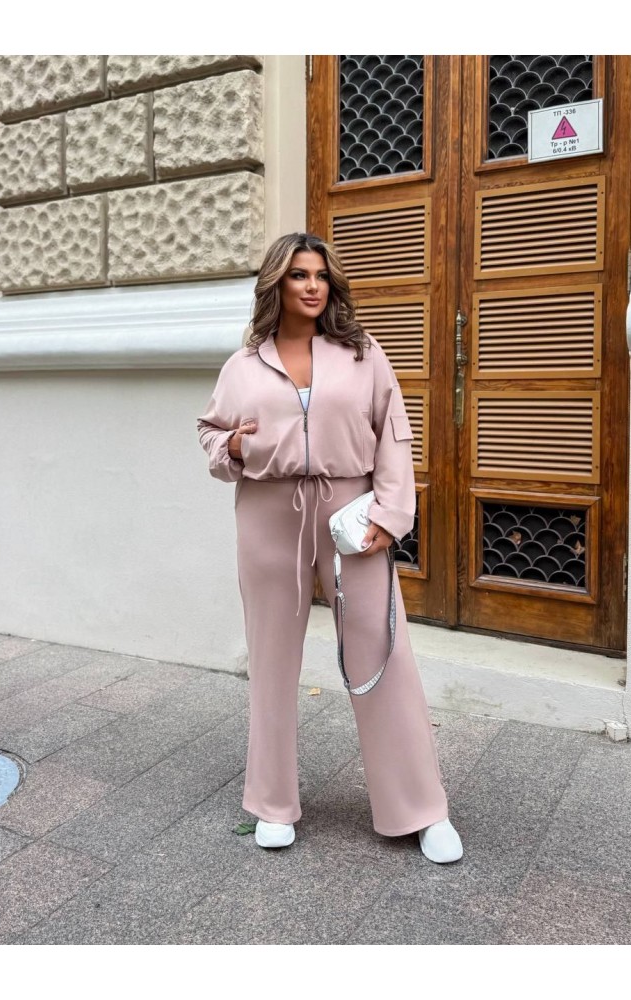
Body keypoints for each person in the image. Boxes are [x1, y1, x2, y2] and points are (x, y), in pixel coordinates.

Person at [197, 232, 463, 863]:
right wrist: (231, 445)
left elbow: (393, 434)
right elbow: (210, 434)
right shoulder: (243, 365)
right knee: (271, 659)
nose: (312, 286)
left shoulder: (363, 354)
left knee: (383, 653)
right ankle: (271, 803)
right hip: (269, 513)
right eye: (298, 275)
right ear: (276, 284)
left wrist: (391, 513)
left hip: (351, 514)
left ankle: (421, 809)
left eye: (320, 275)